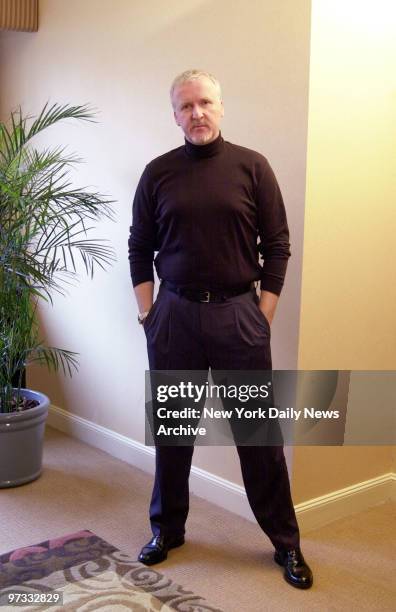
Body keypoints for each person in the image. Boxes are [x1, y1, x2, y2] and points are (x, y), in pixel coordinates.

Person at [128, 69, 313, 589]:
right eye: (185, 106)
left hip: (238, 315)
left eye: (205, 103)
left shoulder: (252, 167)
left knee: (258, 439)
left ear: (221, 107)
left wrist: (262, 314)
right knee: (173, 432)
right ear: (175, 115)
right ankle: (167, 530)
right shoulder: (158, 173)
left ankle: (286, 544)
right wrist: (148, 315)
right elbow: (139, 248)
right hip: (175, 316)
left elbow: (277, 245)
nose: (197, 114)